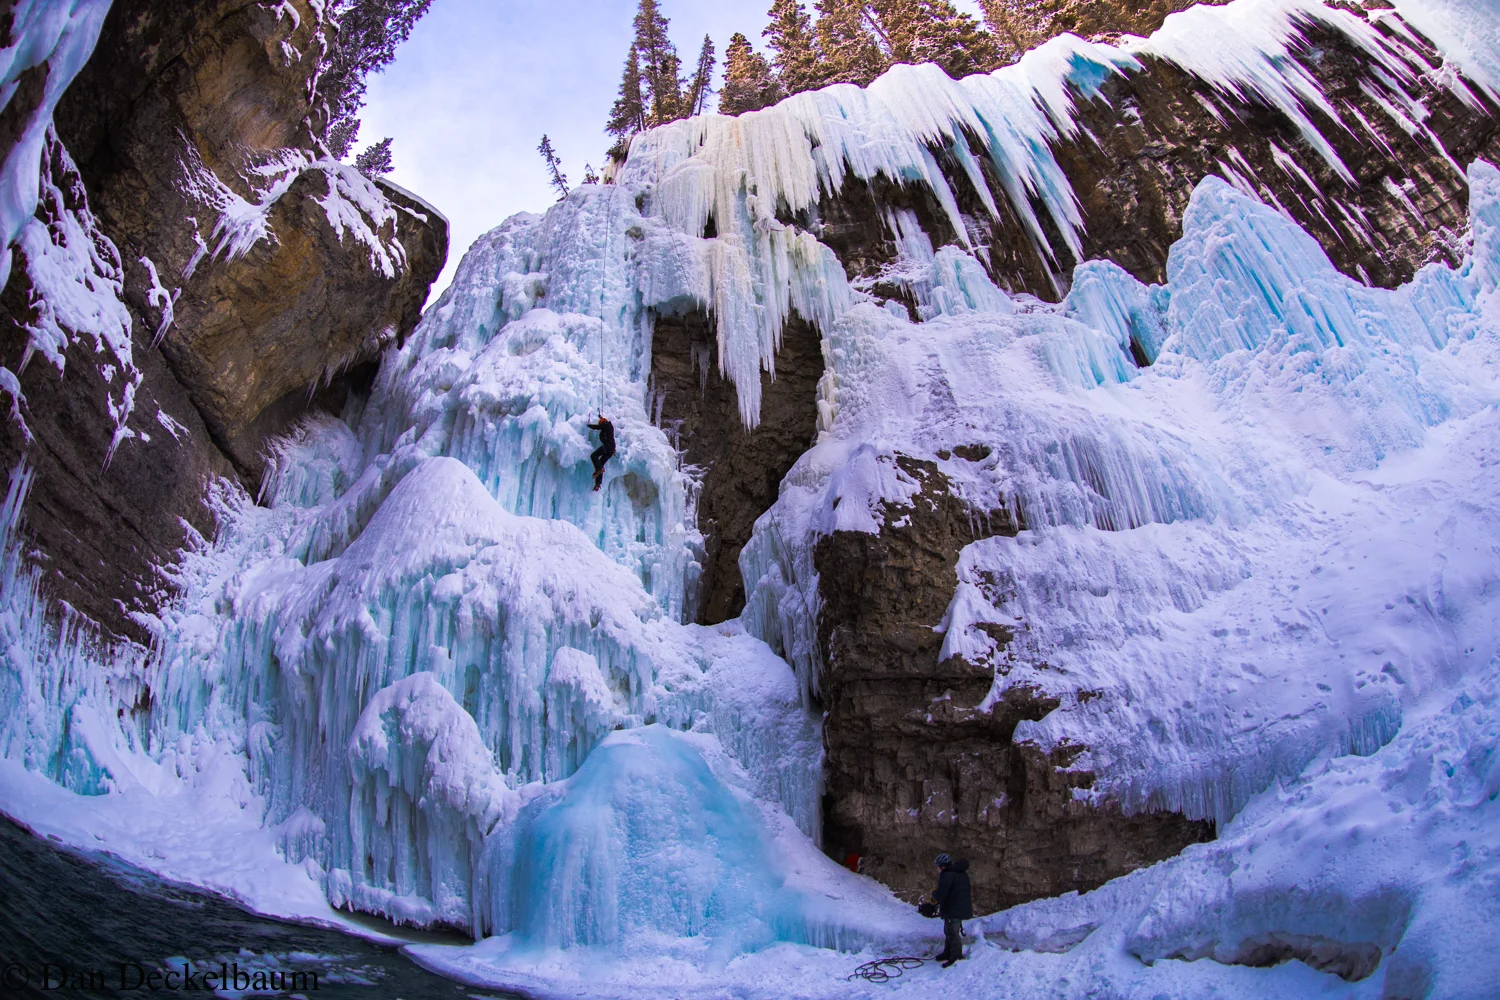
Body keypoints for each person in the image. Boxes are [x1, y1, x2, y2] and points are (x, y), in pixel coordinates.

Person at [932, 852, 972, 968]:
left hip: (954, 908)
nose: (937, 869)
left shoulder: (948, 875)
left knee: (953, 934)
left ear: (942, 866)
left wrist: (933, 894)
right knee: (949, 931)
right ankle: (948, 953)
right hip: (957, 907)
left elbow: (941, 894)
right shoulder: (960, 873)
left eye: (938, 866)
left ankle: (955, 957)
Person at [587, 415, 616, 491]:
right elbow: (602, 425)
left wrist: (589, 425)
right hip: (611, 449)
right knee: (600, 464)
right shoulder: (607, 427)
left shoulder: (607, 425)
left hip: (608, 446)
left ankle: (599, 470)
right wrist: (600, 417)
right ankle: (598, 484)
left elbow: (599, 426)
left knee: (594, 456)